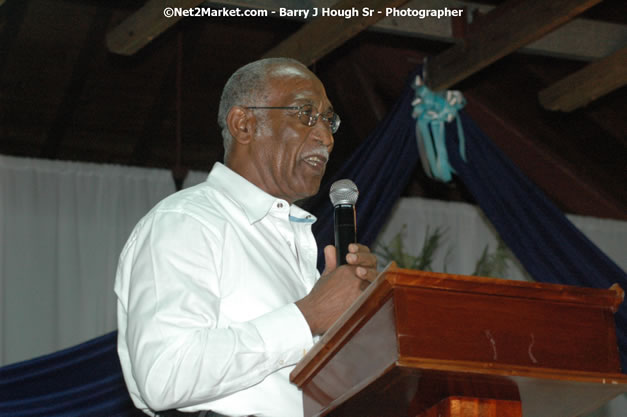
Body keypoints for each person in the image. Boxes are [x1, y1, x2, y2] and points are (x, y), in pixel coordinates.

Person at [114, 58, 377, 417]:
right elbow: (164, 373)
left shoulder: (295, 242)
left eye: (329, 121)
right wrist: (308, 316)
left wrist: (366, 315)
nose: (326, 138)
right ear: (244, 124)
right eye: (305, 114)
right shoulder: (187, 221)